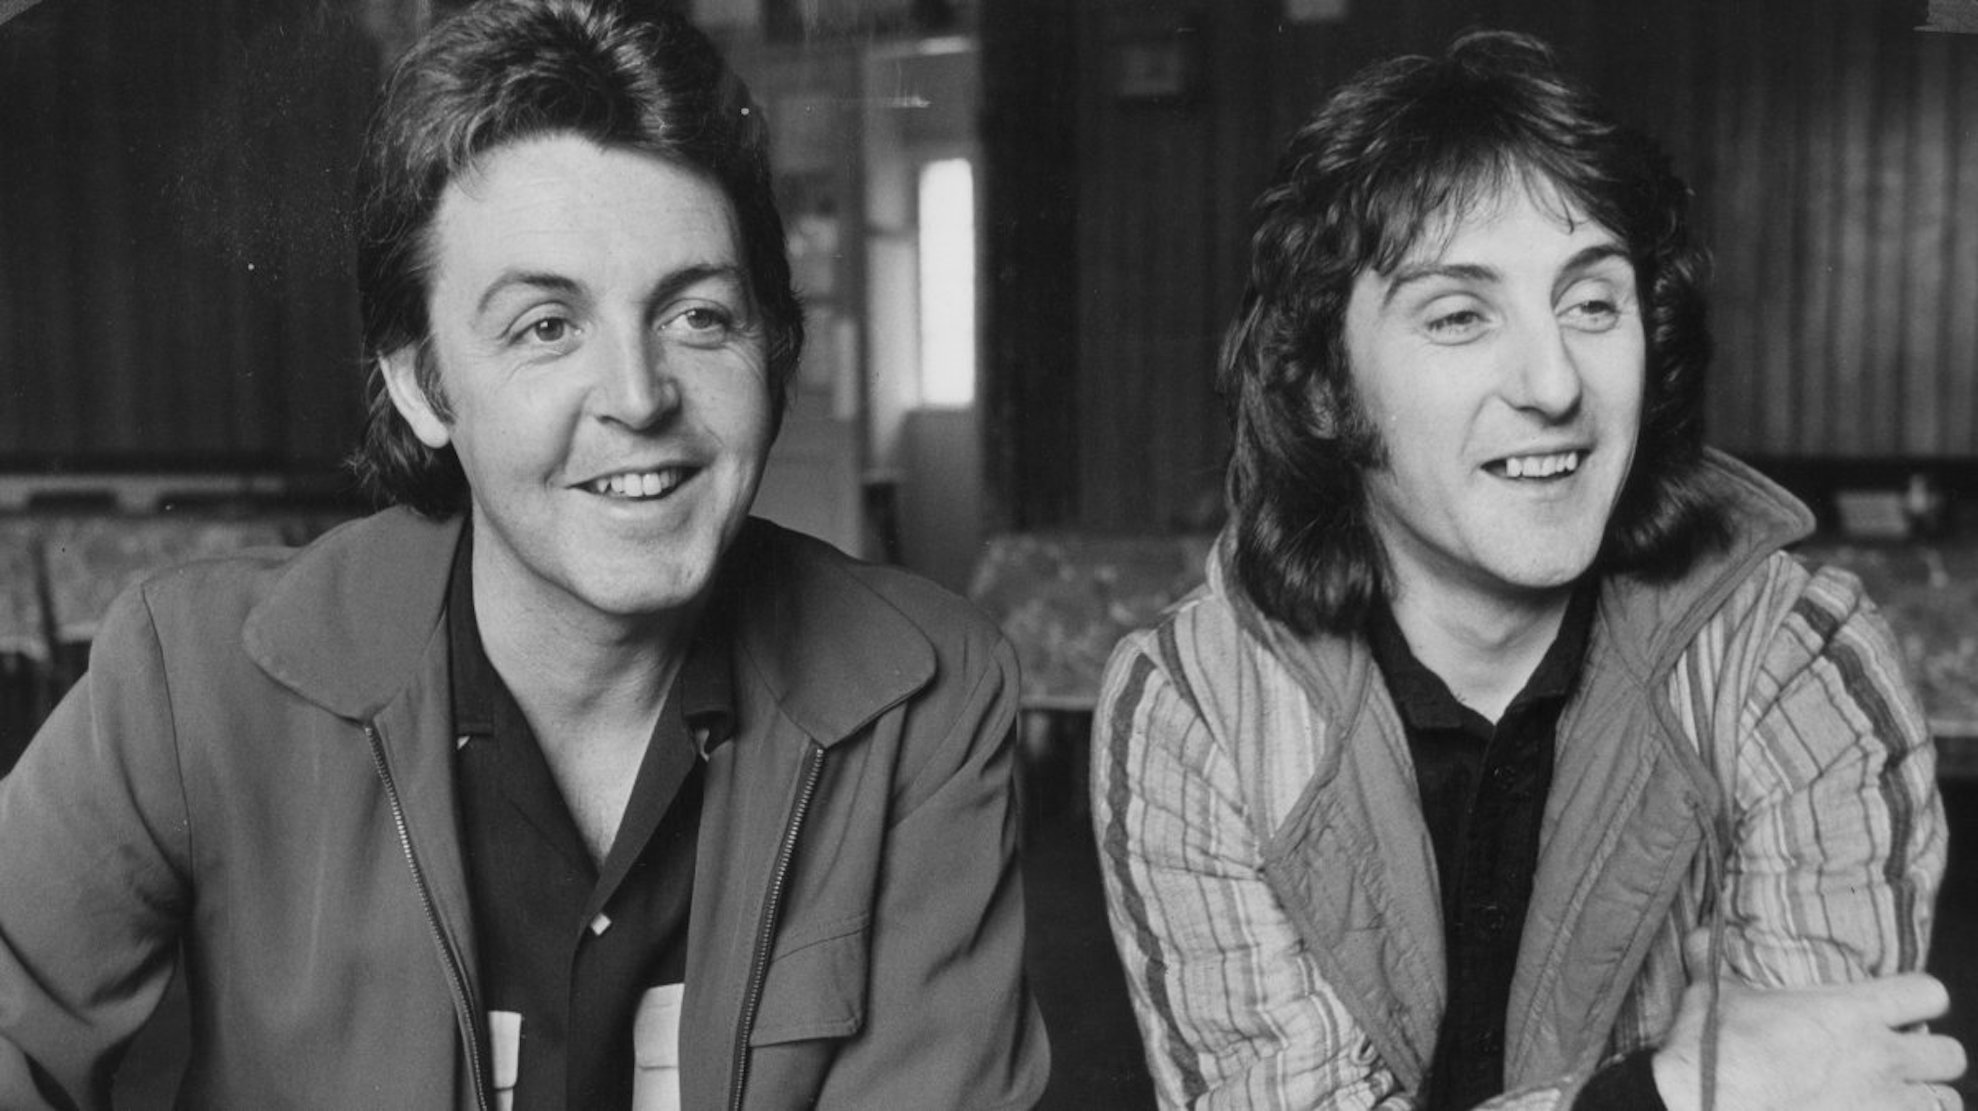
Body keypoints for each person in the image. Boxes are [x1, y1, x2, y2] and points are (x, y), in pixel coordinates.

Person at [0, 1, 1048, 1107]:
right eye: (546, 326)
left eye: (698, 315)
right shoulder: (191, 675)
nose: (638, 397)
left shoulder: (924, 692)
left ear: (769, 341)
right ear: (422, 385)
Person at [1093, 30, 1963, 1111]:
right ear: (1321, 385)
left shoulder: (1798, 662)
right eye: (1459, 316)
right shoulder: (1195, 705)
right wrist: (1666, 1096)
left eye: (1592, 303)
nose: (1554, 383)